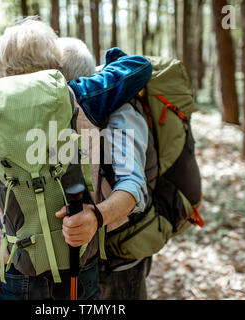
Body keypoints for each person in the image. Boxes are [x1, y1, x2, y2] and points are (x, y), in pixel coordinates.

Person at [0, 18, 153, 300]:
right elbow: (140, 67)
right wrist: (110, 61)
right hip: (77, 257)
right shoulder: (81, 96)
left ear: (2, 69)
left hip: (13, 266)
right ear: (54, 63)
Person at [55, 37, 155, 300]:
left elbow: (133, 185)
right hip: (88, 251)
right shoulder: (59, 117)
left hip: (122, 255)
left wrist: (95, 217)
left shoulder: (120, 112)